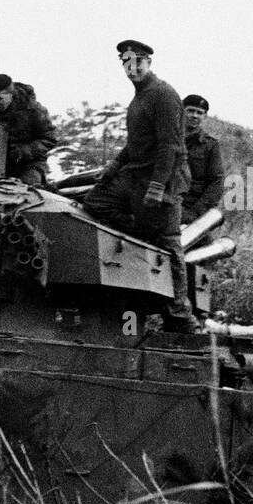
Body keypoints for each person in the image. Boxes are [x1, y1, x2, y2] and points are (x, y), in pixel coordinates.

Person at [82, 40, 197, 333]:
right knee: (96, 202)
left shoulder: (163, 95)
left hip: (165, 178)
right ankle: (141, 232)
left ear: (148, 63)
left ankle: (180, 315)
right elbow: (136, 145)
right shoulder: (139, 99)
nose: (132, 69)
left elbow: (170, 146)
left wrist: (158, 186)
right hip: (136, 175)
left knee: (169, 243)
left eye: (138, 62)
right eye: (126, 63)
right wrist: (114, 167)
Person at [180, 94, 225, 224]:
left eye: (199, 113)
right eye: (190, 110)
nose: (194, 116)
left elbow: (216, 182)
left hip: (186, 207)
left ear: (204, 116)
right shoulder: (167, 136)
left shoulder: (210, 145)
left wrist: (195, 213)